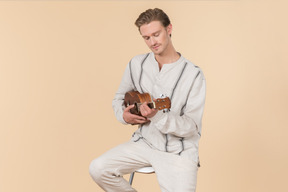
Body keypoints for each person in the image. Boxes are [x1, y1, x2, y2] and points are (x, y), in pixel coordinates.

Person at [89, 8, 206, 192]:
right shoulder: (137, 64)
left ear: (169, 29)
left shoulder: (193, 74)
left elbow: (192, 126)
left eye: (156, 34)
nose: (152, 42)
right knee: (98, 168)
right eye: (146, 37)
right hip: (144, 143)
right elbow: (119, 98)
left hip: (178, 152)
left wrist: (158, 116)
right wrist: (124, 116)